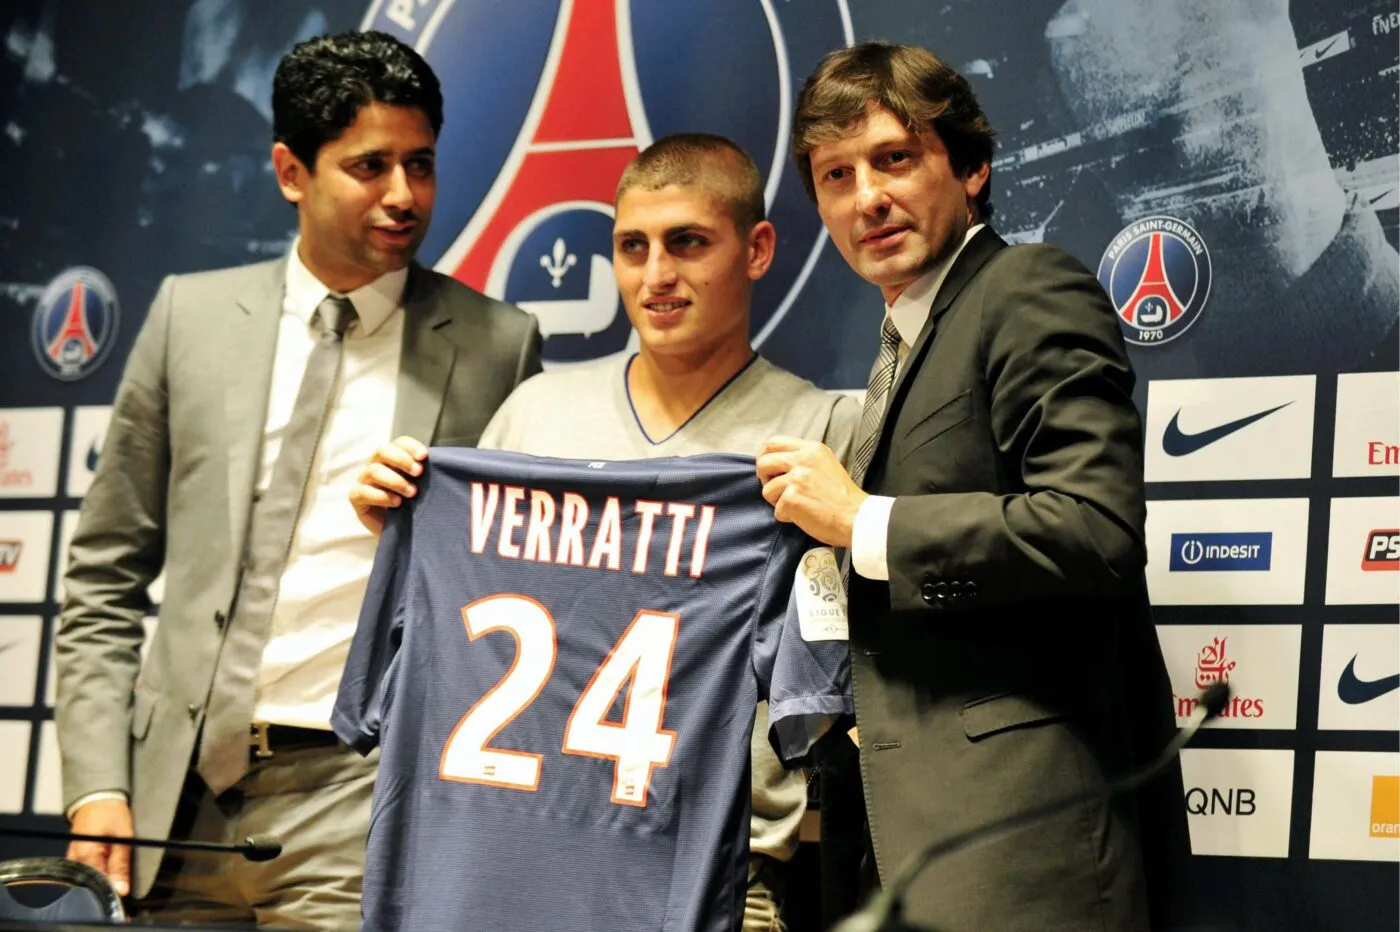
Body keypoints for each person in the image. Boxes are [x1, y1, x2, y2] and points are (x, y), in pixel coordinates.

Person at [53, 30, 541, 928]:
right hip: (172, 807)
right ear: (290, 172)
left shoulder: (497, 345)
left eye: (421, 164)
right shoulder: (187, 320)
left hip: (359, 794)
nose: (404, 196)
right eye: (371, 166)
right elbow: (101, 575)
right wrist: (95, 786)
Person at [349, 132, 859, 932]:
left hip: (708, 876)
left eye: (688, 243)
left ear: (756, 249)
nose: (656, 276)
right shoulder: (534, 415)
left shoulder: (819, 433)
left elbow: (831, 689)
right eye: (632, 247)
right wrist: (405, 528)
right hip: (509, 858)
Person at [754, 42, 1189, 931]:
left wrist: (864, 522)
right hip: (897, 839)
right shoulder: (899, 346)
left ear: (974, 167)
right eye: (836, 175)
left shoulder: (1027, 287)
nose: (866, 197)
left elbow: (1094, 527)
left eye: (894, 159)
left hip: (1020, 850)